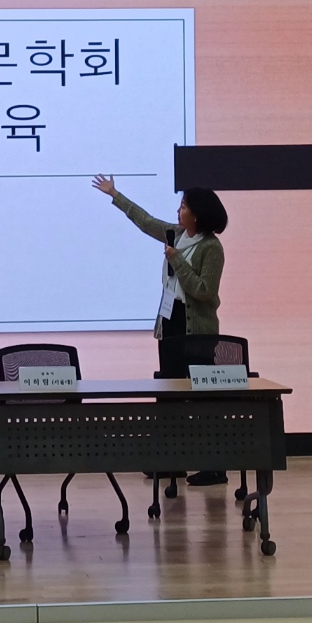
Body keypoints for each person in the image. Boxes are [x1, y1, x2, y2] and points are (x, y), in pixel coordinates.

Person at [92, 175, 230, 487]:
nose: (179, 211)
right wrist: (115, 194)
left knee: (202, 399)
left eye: (184, 207)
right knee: (169, 394)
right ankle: (171, 462)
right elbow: (146, 221)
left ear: (197, 215)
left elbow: (204, 291)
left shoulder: (211, 248)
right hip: (170, 323)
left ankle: (215, 467)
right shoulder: (176, 234)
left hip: (197, 329)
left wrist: (177, 259)